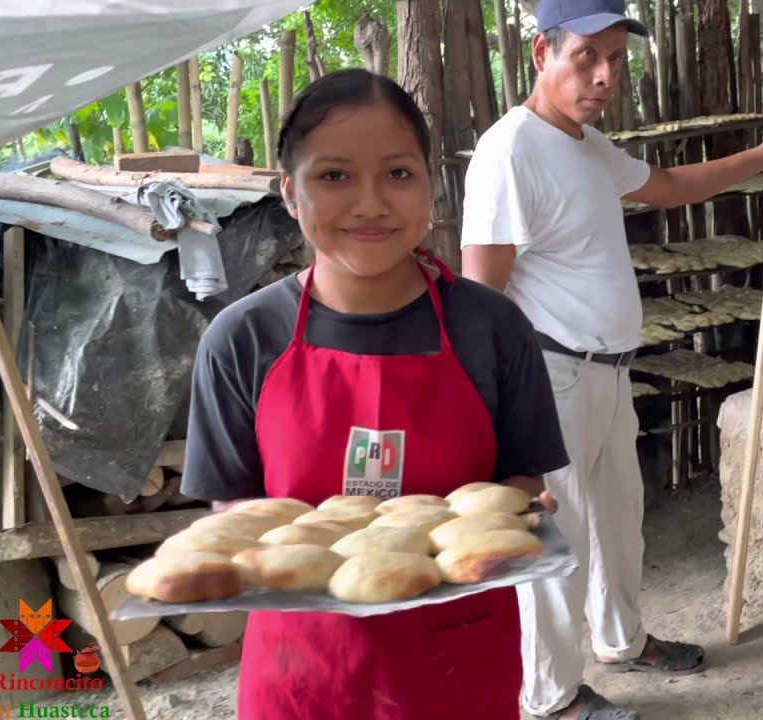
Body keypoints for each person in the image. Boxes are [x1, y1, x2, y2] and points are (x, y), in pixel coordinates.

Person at [179, 68, 569, 720]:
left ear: (430, 184)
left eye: (398, 174)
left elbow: (522, 482)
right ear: (290, 193)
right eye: (334, 176)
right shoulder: (241, 340)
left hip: (458, 660)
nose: (370, 203)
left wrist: (524, 510)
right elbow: (239, 519)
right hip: (303, 673)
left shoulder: (493, 328)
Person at [459, 1, 763, 718]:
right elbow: (479, 296)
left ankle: (622, 641)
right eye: (587, 55)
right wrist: (488, 412)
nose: (605, 74)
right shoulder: (510, 150)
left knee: (618, 519)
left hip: (608, 371)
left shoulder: (585, 145)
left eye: (616, 58)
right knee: (556, 541)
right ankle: (550, 698)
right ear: (540, 55)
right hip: (546, 377)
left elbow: (671, 187)